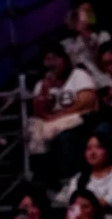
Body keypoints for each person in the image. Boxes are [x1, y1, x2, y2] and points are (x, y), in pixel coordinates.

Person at [28, 41, 98, 181]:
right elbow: (38, 111)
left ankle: (68, 179)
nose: (51, 63)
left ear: (64, 59)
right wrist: (45, 91)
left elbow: (87, 101)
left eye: (54, 58)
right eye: (47, 59)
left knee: (64, 134)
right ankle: (43, 180)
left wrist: (60, 115)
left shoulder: (78, 75)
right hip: (52, 120)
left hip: (79, 117)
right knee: (33, 130)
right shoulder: (42, 83)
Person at [61, 129, 112, 212]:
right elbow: (71, 201)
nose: (92, 153)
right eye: (89, 148)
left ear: (108, 149)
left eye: (99, 147)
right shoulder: (80, 177)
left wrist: (88, 206)